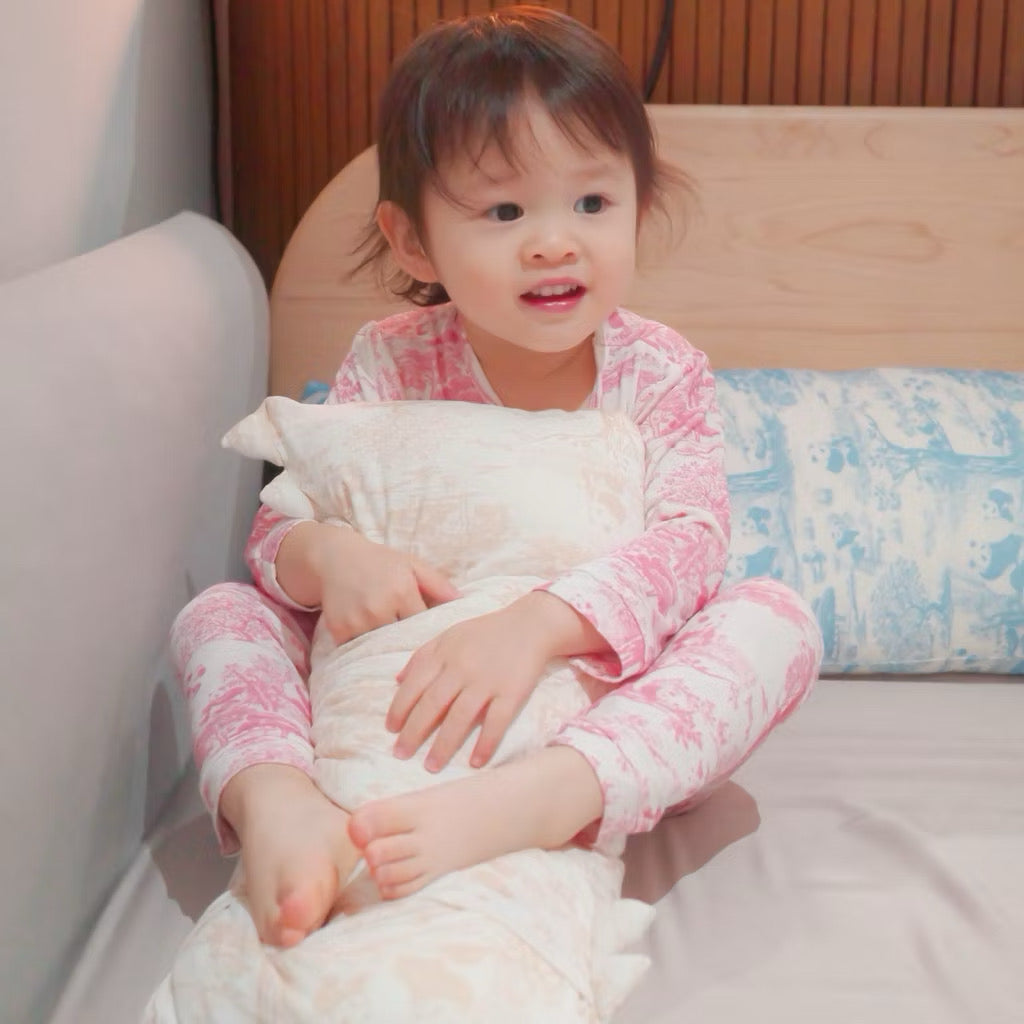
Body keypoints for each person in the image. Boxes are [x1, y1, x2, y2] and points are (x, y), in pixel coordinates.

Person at [172, 4, 823, 951]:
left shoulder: (659, 370)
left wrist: (535, 625)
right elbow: (280, 530)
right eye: (506, 211)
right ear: (413, 242)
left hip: (593, 697)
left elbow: (691, 545)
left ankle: (547, 795)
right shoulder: (389, 360)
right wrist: (332, 555)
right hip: (408, 678)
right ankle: (281, 804)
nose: (555, 242)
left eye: (592, 203)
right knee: (219, 616)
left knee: (774, 619)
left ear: (637, 206)